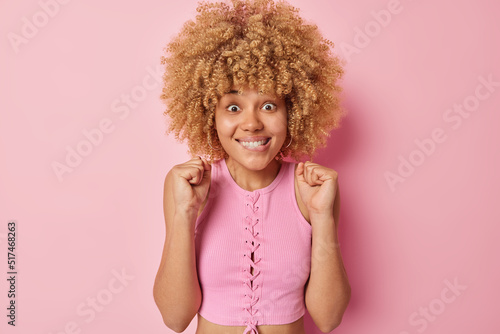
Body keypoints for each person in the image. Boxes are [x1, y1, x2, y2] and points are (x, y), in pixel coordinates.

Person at [153, 0, 351, 333]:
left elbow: (329, 318)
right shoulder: (188, 187)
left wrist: (322, 218)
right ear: (208, 114)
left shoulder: (312, 191)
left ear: (293, 111)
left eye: (269, 105)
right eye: (233, 106)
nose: (251, 123)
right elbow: (175, 318)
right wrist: (185, 215)